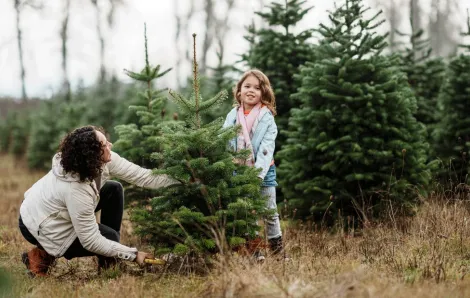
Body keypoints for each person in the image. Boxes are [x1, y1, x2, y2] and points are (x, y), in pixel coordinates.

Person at [18, 125, 179, 277]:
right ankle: (39, 257)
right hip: (36, 224)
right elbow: (90, 240)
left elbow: (142, 176)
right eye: (104, 144)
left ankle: (108, 262)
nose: (110, 144)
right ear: (91, 154)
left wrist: (183, 180)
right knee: (108, 238)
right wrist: (133, 255)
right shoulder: (75, 189)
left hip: (52, 211)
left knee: (113, 189)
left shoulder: (103, 161)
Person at [222, 69, 284, 261]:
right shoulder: (233, 114)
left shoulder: (267, 117)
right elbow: (224, 138)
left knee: (269, 211)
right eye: (247, 86)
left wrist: (257, 174)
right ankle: (256, 251)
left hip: (264, 172)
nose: (251, 91)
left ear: (263, 92)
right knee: (248, 211)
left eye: (257, 88)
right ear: (239, 91)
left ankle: (277, 249)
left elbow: (267, 147)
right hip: (238, 170)